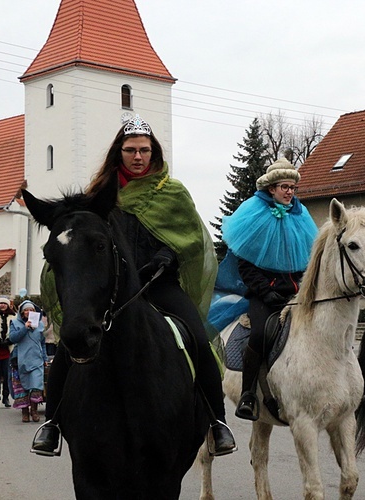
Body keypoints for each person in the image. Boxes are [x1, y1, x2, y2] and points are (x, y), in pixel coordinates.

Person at [32, 114, 236, 457]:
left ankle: (218, 421)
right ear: (119, 152)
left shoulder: (173, 193)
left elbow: (189, 240)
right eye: (130, 150)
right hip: (112, 291)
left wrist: (166, 256)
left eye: (144, 150)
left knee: (198, 339)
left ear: (153, 152)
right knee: (74, 341)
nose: (138, 156)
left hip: (159, 284)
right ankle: (51, 423)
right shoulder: (100, 196)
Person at [221, 158, 318, 421]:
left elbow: (307, 259)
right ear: (271, 188)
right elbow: (247, 263)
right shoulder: (254, 212)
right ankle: (248, 394)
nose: (289, 192)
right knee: (261, 333)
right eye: (284, 187)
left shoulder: (300, 214)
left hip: (295, 293)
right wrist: (265, 291)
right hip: (264, 294)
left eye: (292, 187)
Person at [9, 300, 48, 423]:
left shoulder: (40, 325)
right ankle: (24, 412)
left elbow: (42, 342)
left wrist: (44, 357)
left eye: (31, 310)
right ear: (22, 312)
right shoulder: (15, 323)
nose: (28, 312)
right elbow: (13, 338)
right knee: (22, 388)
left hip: (36, 360)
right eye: (26, 310)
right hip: (20, 360)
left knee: (36, 386)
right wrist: (25, 329)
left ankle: (34, 411)